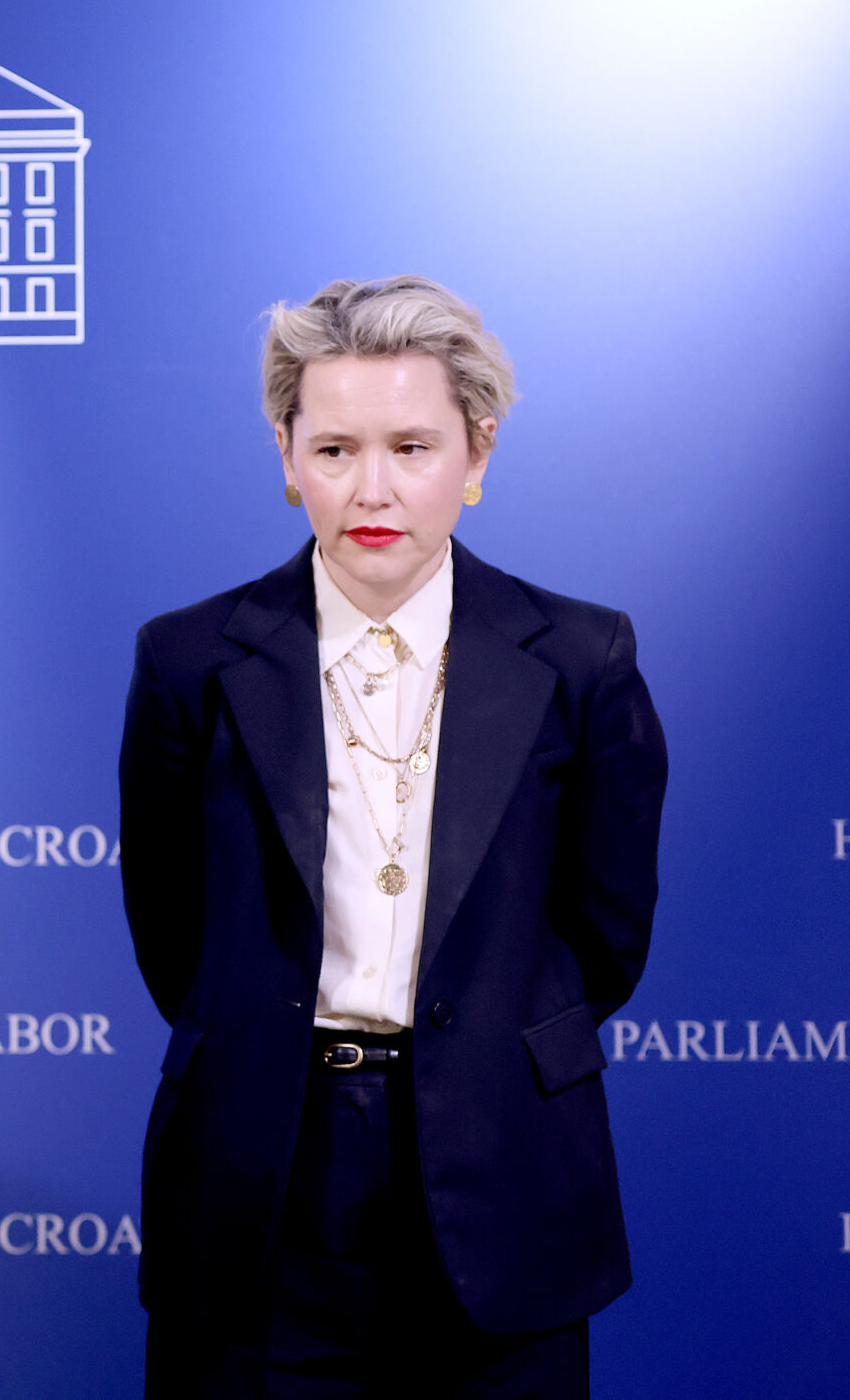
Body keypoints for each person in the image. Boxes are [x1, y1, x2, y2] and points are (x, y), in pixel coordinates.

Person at [118, 276, 668, 1397]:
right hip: (260, 1171)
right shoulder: (189, 659)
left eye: (412, 447)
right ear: (286, 454)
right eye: (334, 449)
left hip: (503, 1163)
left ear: (476, 452)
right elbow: (173, 934)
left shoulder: (580, 657)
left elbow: (604, 937)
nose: (372, 488)